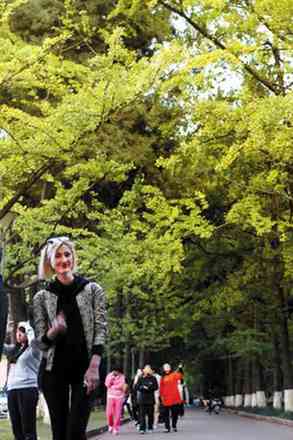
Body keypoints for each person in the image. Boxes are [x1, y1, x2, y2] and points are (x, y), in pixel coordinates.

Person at [33, 236, 107, 440]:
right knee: (59, 434)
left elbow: (101, 329)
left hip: (86, 369)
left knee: (75, 432)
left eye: (67, 254)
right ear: (50, 262)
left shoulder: (93, 290)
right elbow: (40, 343)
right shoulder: (41, 297)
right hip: (53, 372)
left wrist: (94, 366)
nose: (64, 259)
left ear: (73, 258)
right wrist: (52, 331)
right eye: (58, 256)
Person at [3, 321, 41, 440]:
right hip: (12, 390)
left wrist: (27, 327)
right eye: (17, 332)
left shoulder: (34, 349)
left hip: (28, 389)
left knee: (28, 429)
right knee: (17, 429)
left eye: (22, 331)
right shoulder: (13, 351)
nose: (18, 334)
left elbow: (32, 340)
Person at [160, 363, 183, 433]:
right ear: (163, 369)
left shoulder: (174, 374)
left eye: (168, 367)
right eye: (165, 367)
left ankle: (174, 425)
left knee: (174, 413)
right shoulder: (162, 377)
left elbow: (180, 376)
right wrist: (161, 396)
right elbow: (161, 387)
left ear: (170, 368)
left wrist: (180, 368)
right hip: (166, 397)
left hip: (174, 397)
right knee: (165, 413)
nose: (167, 368)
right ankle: (167, 427)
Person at [135, 365, 158, 434]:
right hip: (142, 399)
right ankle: (142, 428)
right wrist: (142, 387)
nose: (147, 370)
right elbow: (136, 387)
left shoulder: (153, 378)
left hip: (150, 399)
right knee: (142, 414)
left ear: (150, 370)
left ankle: (150, 427)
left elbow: (156, 387)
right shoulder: (140, 378)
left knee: (150, 414)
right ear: (143, 370)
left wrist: (149, 388)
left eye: (149, 369)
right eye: (146, 369)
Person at [105, 366, 126, 435]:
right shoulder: (109, 375)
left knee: (117, 413)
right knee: (109, 413)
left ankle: (115, 428)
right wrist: (111, 379)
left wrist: (113, 387)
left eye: (117, 371)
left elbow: (121, 385)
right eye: (114, 371)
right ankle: (110, 424)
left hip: (119, 397)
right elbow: (107, 384)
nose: (115, 372)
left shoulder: (122, 376)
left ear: (119, 371)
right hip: (110, 396)